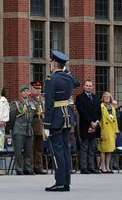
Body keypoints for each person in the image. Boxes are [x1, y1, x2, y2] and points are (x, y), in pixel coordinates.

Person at [44, 50, 80, 192]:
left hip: (56, 119)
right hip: (67, 117)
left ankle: (60, 182)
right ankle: (66, 182)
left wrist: (46, 124)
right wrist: (66, 70)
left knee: (57, 151)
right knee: (65, 150)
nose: (50, 65)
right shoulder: (67, 77)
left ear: (54, 63)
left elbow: (49, 104)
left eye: (51, 62)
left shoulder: (51, 80)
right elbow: (77, 82)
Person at [75, 80, 101, 174]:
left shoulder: (96, 97)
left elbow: (99, 112)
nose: (89, 87)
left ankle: (91, 167)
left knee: (92, 148)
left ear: (92, 87)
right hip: (85, 125)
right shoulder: (79, 98)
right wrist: (91, 122)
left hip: (95, 126)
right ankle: (84, 167)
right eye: (87, 85)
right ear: (84, 87)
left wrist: (96, 122)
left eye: (90, 86)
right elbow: (82, 112)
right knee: (84, 147)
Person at [9, 85, 35, 175]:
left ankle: (27, 168)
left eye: (27, 91)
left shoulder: (32, 103)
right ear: (21, 93)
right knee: (18, 151)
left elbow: (33, 116)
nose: (25, 93)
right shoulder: (15, 103)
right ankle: (19, 169)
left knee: (28, 150)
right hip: (19, 129)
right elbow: (12, 117)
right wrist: (13, 128)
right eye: (23, 91)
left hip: (29, 129)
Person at [98, 92, 119, 173]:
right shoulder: (101, 106)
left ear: (110, 98)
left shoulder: (112, 107)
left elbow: (115, 120)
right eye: (105, 96)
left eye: (108, 97)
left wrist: (116, 131)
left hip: (111, 131)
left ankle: (107, 167)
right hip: (104, 130)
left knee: (109, 150)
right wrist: (100, 132)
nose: (107, 98)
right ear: (103, 98)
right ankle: (103, 167)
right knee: (103, 150)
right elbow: (99, 120)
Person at [29, 81, 47, 175]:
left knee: (39, 148)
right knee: (31, 147)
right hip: (33, 123)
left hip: (41, 124)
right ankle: (31, 167)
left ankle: (38, 167)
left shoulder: (42, 99)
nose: (38, 90)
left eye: (39, 88)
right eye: (36, 88)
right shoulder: (30, 99)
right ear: (32, 88)